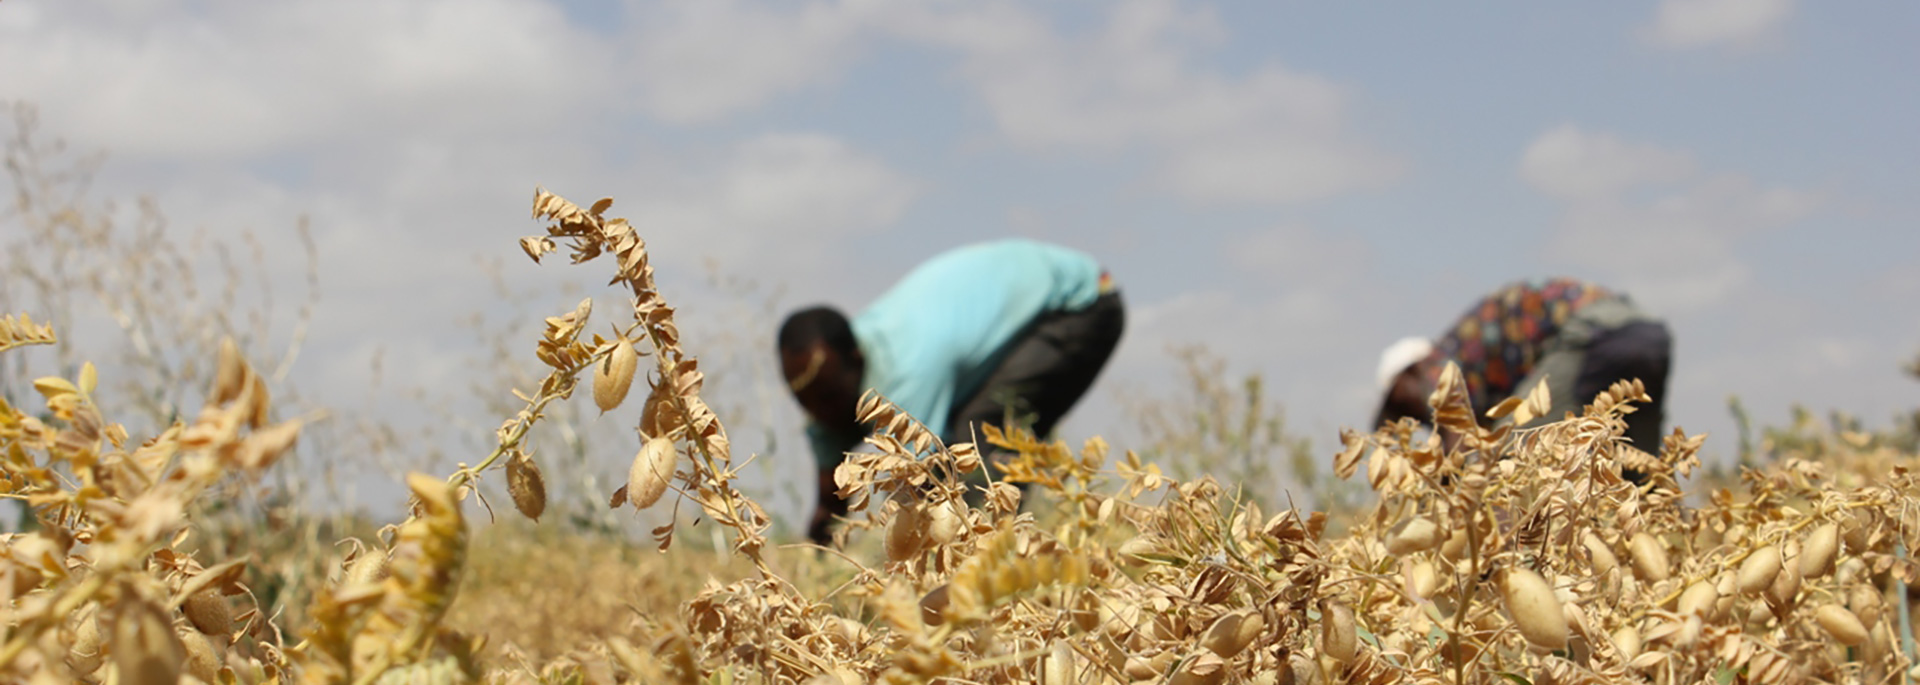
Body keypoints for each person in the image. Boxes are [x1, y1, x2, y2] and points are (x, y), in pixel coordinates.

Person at [778, 239, 1125, 544]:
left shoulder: (906, 371)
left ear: (856, 361)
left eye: (826, 399)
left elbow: (917, 487)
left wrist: (900, 578)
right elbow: (830, 499)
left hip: (1081, 303)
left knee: (980, 437)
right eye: (803, 401)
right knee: (963, 447)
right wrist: (816, 554)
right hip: (1023, 306)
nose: (818, 412)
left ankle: (988, 570)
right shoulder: (828, 386)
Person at [1373, 278, 1672, 467]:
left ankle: (1508, 567)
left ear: (1408, 375)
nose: (1414, 416)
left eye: (1400, 401)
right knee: (1642, 477)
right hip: (1648, 332)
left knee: (1508, 461)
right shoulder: (1475, 359)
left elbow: (1461, 449)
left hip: (1597, 331)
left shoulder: (1436, 366)